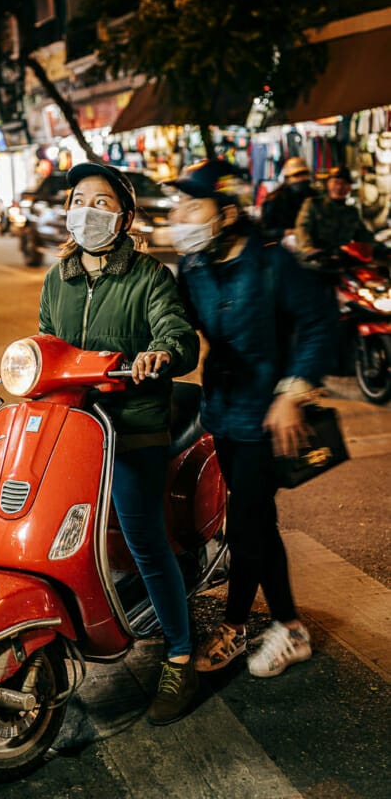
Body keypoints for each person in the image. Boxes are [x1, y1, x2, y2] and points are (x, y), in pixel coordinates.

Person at [39, 162, 200, 725]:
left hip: (132, 427)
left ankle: (180, 653)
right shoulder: (58, 278)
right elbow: (47, 338)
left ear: (125, 218)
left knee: (144, 537)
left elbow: (176, 331)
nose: (88, 211)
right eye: (80, 199)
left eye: (102, 202)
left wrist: (162, 354)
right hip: (73, 426)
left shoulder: (149, 277)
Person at [164, 160, 334, 678]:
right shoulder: (193, 268)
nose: (181, 216)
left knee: (245, 524)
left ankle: (257, 627)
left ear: (229, 212)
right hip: (224, 413)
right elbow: (177, 325)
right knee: (257, 524)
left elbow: (321, 320)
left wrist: (293, 389)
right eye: (179, 206)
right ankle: (270, 626)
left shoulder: (270, 263)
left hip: (267, 418)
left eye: (193, 206)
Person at [295, 166, 377, 256]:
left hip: (341, 258)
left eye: (344, 183)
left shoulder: (351, 212)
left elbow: (364, 236)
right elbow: (302, 228)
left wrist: (379, 248)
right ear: (328, 184)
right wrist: (308, 248)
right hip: (316, 259)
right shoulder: (313, 204)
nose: (339, 187)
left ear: (349, 188)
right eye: (336, 182)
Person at [261, 157, 318, 243]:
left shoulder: (315, 195)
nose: (301, 178)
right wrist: (284, 232)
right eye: (297, 175)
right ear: (287, 178)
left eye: (304, 174)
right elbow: (265, 231)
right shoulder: (274, 199)